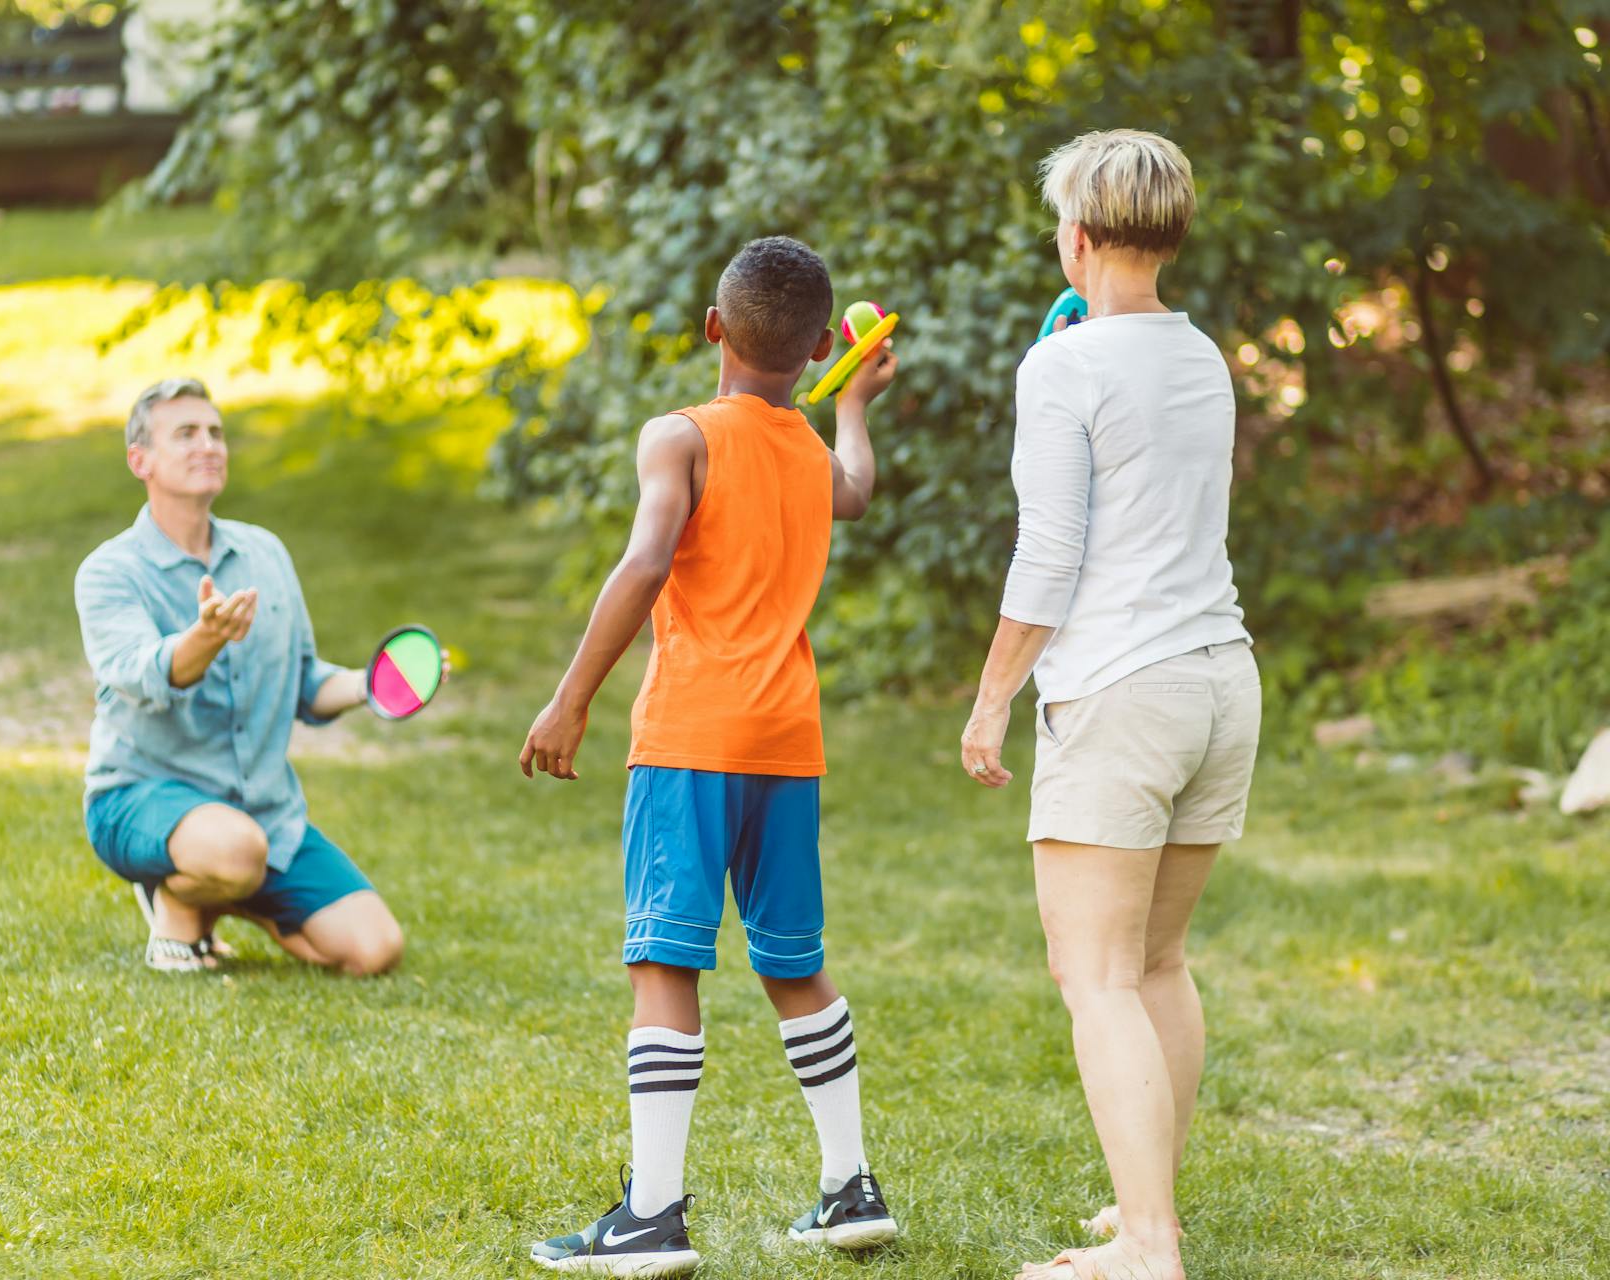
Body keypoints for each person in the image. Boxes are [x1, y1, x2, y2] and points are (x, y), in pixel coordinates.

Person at [518, 236, 900, 1276]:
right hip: (788, 742)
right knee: (795, 961)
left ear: (712, 327)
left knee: (664, 958)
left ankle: (651, 1214)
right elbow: (856, 489)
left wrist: (569, 699)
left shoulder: (679, 435)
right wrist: (854, 399)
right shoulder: (808, 450)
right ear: (819, 344)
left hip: (690, 736)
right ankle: (849, 1183)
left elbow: (647, 561)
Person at [958, 131, 1259, 1280]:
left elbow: (1050, 558)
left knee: (1095, 975)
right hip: (1219, 681)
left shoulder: (1063, 367)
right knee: (1158, 962)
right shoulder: (1205, 357)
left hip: (1123, 691)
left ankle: (1148, 1241)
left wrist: (991, 701)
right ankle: (1147, 1207)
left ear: (1076, 238)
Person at [74, 378, 405, 976]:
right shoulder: (109, 571)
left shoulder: (265, 554)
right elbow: (144, 675)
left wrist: (372, 685)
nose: (209, 445)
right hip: (139, 797)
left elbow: (305, 682)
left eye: (216, 433)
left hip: (263, 817)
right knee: (234, 848)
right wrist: (207, 636)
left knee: (373, 949)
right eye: (186, 434)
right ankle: (174, 891)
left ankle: (225, 889)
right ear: (139, 459)